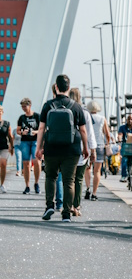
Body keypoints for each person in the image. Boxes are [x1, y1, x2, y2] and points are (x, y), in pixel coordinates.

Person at [35, 75, 90, 222]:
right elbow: (83, 130)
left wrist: (39, 147)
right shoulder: (76, 107)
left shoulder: (48, 105)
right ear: (69, 88)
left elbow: (41, 128)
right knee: (69, 180)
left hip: (52, 147)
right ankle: (66, 213)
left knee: (51, 177)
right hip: (71, 149)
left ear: (56, 88)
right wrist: (86, 147)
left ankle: (49, 206)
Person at [71, 89, 97, 217]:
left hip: (66, 150)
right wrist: (92, 150)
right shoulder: (84, 112)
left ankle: (67, 204)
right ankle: (76, 206)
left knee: (68, 179)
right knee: (78, 179)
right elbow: (89, 133)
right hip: (81, 149)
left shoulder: (64, 110)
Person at [16, 98, 41, 194]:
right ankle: (27, 186)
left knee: (36, 161)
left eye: (24, 106)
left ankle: (36, 182)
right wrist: (23, 132)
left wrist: (35, 132)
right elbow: (18, 130)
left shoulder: (37, 116)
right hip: (25, 141)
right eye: (22, 106)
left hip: (35, 140)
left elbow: (42, 129)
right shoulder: (21, 118)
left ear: (29, 105)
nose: (23, 108)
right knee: (26, 164)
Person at [85, 101, 109, 201]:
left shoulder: (86, 117)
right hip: (99, 145)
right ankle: (94, 193)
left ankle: (88, 188)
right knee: (97, 171)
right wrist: (107, 143)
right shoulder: (102, 118)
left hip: (88, 144)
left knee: (87, 169)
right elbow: (107, 133)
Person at [0, 106, 12, 193]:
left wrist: (12, 146)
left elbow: (10, 136)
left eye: (0, 111)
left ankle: (2, 184)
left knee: (3, 164)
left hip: (4, 147)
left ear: (2, 112)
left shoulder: (6, 123)